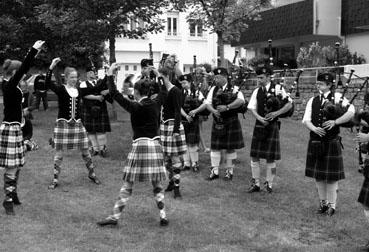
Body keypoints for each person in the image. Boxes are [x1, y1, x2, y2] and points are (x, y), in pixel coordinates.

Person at [97, 63, 168, 227]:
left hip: (140, 145)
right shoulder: (156, 103)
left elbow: (114, 93)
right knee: (157, 182)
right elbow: (164, 91)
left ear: (136, 92)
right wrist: (158, 75)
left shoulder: (134, 105)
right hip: (155, 145)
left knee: (128, 183)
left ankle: (114, 217)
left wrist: (109, 74)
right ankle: (163, 215)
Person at [0, 40, 44, 215]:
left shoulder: (12, 85)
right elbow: (25, 67)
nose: (24, 77)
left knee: (16, 165)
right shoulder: (10, 85)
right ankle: (8, 200)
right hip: (11, 129)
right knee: (11, 166)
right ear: (14, 73)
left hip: (15, 128)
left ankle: (13, 194)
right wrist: (33, 50)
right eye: (21, 74)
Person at [46, 57, 103, 189]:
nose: (74, 79)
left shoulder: (79, 90)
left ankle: (92, 174)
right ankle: (55, 179)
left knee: (86, 151)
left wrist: (110, 74)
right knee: (59, 154)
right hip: (62, 124)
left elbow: (98, 87)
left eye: (76, 77)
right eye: (72, 77)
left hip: (77, 124)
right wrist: (51, 67)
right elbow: (48, 83)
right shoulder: (61, 89)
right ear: (66, 77)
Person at [303, 72, 354, 216]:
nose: (318, 85)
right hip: (315, 142)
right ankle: (323, 204)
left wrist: (335, 121)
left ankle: (332, 206)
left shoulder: (338, 98)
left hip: (331, 142)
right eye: (317, 83)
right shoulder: (312, 100)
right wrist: (314, 128)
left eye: (321, 84)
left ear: (330, 84)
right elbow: (306, 119)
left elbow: (351, 112)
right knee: (318, 176)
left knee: (331, 177)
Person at [247, 65, 293, 193]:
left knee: (270, 158)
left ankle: (269, 184)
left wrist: (276, 113)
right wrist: (260, 119)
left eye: (261, 77)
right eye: (258, 78)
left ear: (268, 77)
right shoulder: (257, 91)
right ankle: (256, 183)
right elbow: (251, 108)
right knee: (254, 156)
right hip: (259, 125)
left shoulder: (278, 88)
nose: (259, 80)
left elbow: (289, 104)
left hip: (272, 126)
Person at [204, 67, 245, 181]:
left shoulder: (234, 88)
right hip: (218, 121)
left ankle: (229, 171)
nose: (216, 79)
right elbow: (207, 103)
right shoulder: (213, 89)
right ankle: (215, 171)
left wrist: (227, 107)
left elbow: (241, 101)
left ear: (225, 77)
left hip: (231, 121)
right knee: (215, 148)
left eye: (218, 77)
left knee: (230, 148)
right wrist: (214, 111)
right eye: (215, 77)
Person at [159, 65, 187, 198]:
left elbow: (177, 110)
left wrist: (176, 130)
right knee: (166, 159)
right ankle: (171, 181)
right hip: (164, 126)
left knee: (175, 158)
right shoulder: (163, 90)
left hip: (173, 126)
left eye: (160, 77)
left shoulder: (176, 91)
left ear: (166, 76)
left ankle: (177, 188)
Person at [80, 65, 113, 157]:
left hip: (101, 109)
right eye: (90, 72)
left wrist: (107, 91)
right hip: (88, 109)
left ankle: (102, 149)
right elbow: (83, 95)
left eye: (94, 72)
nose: (93, 74)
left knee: (100, 130)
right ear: (86, 74)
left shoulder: (101, 83)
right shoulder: (83, 84)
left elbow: (109, 92)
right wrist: (97, 97)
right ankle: (95, 149)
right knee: (90, 131)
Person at [179, 74, 207, 172]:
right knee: (185, 142)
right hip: (184, 120)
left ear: (190, 82)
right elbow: (178, 107)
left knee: (193, 143)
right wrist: (186, 116)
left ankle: (195, 163)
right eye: (182, 83)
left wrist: (195, 111)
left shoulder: (197, 92)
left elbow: (205, 104)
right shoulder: (180, 93)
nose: (183, 85)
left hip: (194, 121)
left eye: (185, 83)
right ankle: (186, 163)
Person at [193, 66, 211, 153]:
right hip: (194, 106)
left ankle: (200, 146)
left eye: (200, 73)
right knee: (197, 128)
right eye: (196, 73)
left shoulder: (204, 83)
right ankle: (201, 146)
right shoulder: (194, 83)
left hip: (200, 107)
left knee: (199, 127)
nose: (198, 75)